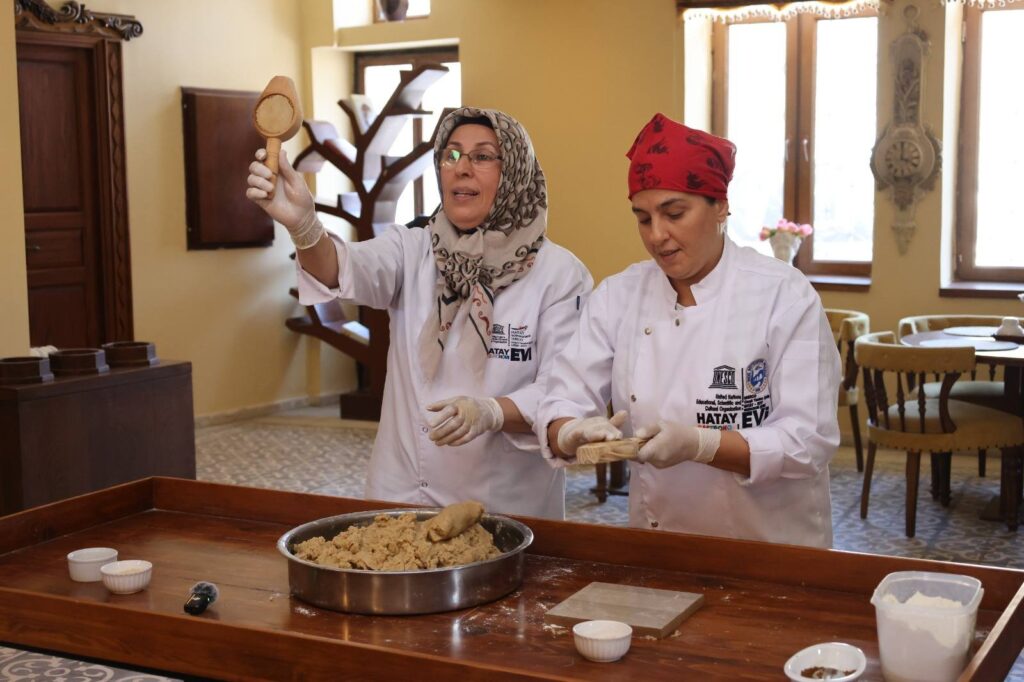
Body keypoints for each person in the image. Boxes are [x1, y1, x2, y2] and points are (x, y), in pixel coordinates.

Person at [246, 107, 592, 519]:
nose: (461, 168)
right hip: (400, 495)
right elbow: (342, 269)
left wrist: (492, 412)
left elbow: (562, 390)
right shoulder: (413, 248)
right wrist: (304, 226)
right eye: (451, 155)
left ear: (516, 172)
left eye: (482, 156)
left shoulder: (558, 274)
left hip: (503, 506)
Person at [536, 113, 840, 548]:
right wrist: (569, 431)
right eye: (643, 219)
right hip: (662, 545)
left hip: (770, 547)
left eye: (674, 213)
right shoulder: (620, 295)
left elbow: (807, 440)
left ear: (720, 206)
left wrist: (701, 445)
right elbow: (562, 395)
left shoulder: (783, 295)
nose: (657, 236)